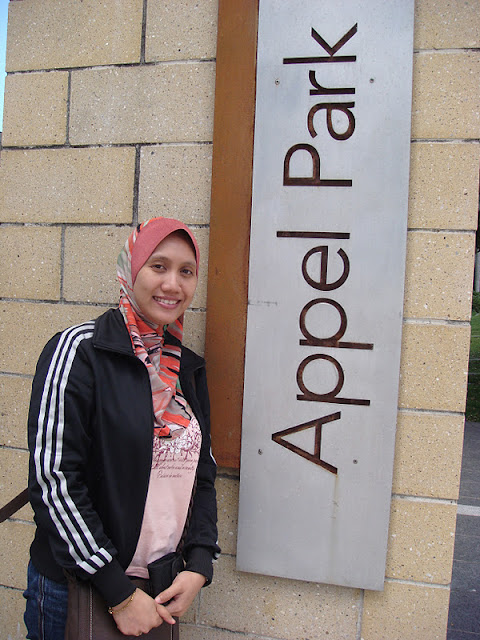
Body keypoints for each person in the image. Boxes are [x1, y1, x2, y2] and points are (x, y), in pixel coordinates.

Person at [24, 217, 220, 639]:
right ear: (131, 270)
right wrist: (119, 593)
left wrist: (200, 563)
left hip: (159, 590)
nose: (172, 284)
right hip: (78, 587)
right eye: (158, 266)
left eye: (186, 271)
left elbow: (203, 476)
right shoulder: (81, 351)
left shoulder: (186, 368)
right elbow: (54, 479)